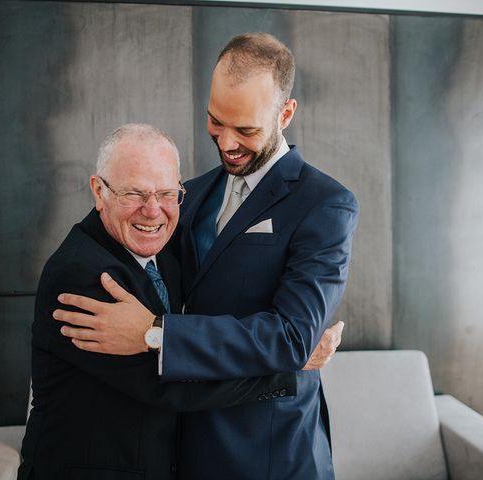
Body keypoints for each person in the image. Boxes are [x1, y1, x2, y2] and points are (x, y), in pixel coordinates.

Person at [55, 33, 358, 479]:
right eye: (216, 122)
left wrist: (156, 334)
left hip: (271, 451)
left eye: (247, 129)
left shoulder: (326, 204)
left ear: (286, 114)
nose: (227, 142)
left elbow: (292, 339)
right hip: (186, 443)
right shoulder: (190, 194)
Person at [19, 124, 323, 480]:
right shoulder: (80, 275)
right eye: (133, 193)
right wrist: (286, 370)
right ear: (98, 192)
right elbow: (170, 382)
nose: (153, 211)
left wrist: (288, 331)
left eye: (166, 193)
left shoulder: (167, 253)